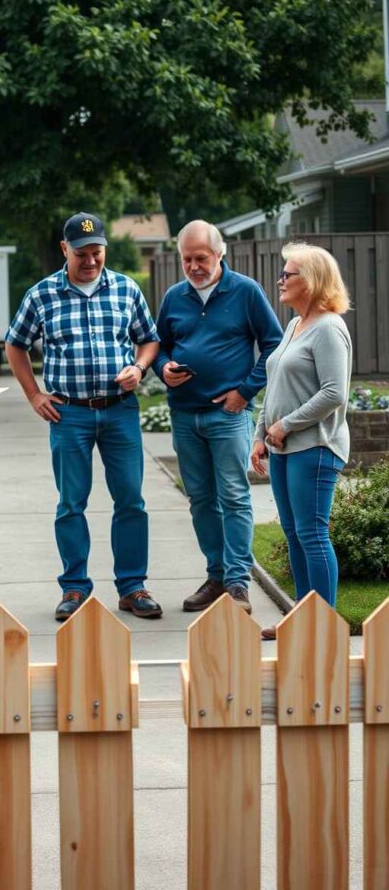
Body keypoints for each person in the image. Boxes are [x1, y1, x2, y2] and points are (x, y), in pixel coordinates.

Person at [5, 212, 162, 621]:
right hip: (69, 414)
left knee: (131, 500)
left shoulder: (126, 289)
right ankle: (74, 588)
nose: (91, 261)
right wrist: (34, 394)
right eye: (82, 254)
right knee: (71, 503)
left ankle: (133, 587)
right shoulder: (42, 295)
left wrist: (140, 368)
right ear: (64, 250)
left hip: (119, 412)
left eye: (97, 252)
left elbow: (149, 340)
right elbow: (15, 345)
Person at [153, 220, 283, 615]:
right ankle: (216, 577)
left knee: (234, 496)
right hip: (185, 414)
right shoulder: (175, 297)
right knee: (201, 500)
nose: (194, 266)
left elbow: (274, 343)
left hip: (228, 415)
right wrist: (163, 369)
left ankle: (238, 584)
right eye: (187, 259)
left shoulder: (245, 292)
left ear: (220, 254)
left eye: (201, 258)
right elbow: (158, 346)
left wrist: (244, 392)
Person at [251, 243, 352, 640]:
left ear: (311, 281)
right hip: (282, 446)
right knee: (293, 533)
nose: (281, 279)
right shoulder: (295, 324)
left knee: (312, 533)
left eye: (288, 273)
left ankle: (322, 626)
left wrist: (286, 425)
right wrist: (261, 434)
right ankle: (301, 617)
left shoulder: (329, 327)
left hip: (315, 447)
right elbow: (276, 384)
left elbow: (334, 393)